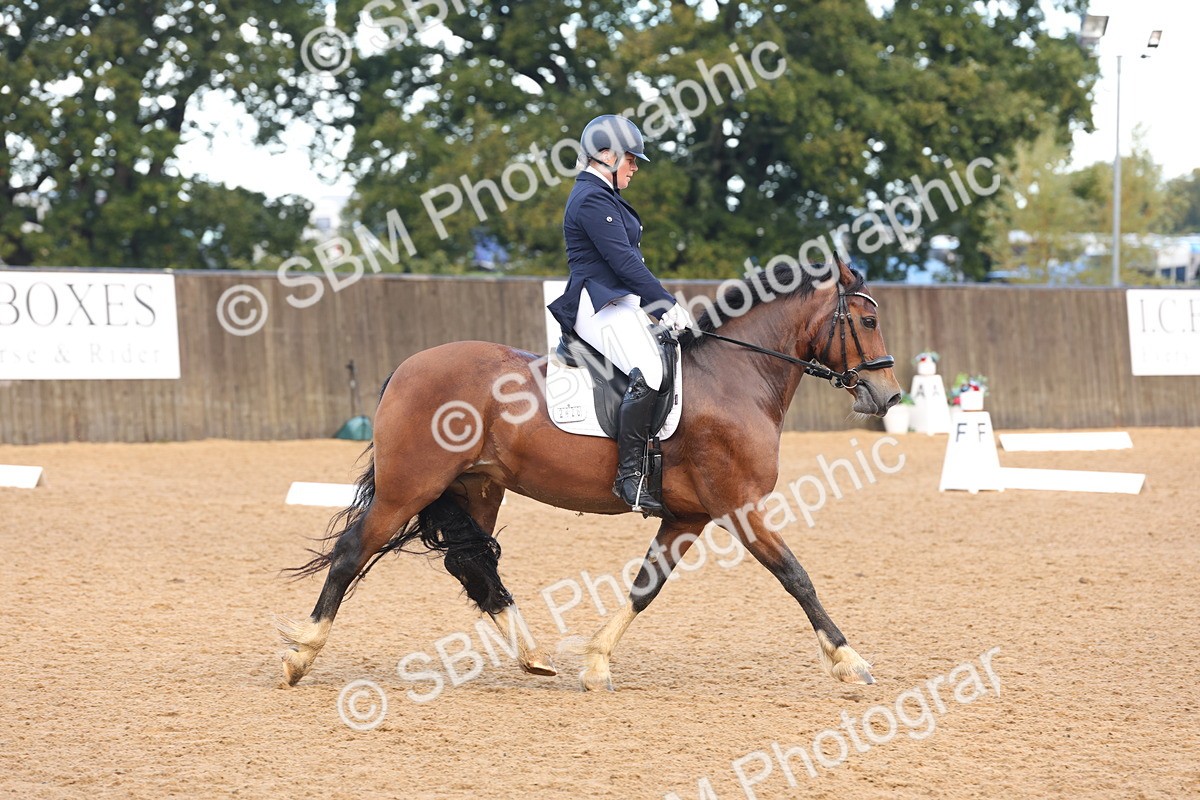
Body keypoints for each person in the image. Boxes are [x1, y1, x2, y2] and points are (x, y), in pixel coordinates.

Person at [547, 115, 695, 514]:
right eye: (630, 159)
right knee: (648, 370)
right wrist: (664, 305)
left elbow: (629, 265)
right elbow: (625, 262)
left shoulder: (605, 197)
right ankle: (629, 477)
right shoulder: (592, 198)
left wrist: (658, 306)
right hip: (596, 305)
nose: (634, 166)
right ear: (607, 155)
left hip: (619, 302)